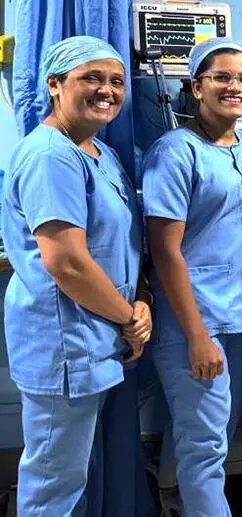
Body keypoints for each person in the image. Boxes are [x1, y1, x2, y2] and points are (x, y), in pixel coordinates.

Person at [3, 35, 153, 517]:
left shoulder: (99, 153)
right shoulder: (50, 155)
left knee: (78, 477)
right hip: (64, 342)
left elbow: (122, 246)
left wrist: (141, 299)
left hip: (98, 334)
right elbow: (66, 263)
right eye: (91, 78)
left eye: (116, 81)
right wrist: (128, 317)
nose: (107, 90)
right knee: (55, 486)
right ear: (54, 84)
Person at [141, 37, 242, 516]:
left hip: (238, 314)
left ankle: (175, 498)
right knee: (206, 444)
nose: (235, 87)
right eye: (222, 77)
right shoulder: (174, 152)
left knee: (215, 432)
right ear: (196, 87)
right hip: (194, 318)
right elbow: (164, 250)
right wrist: (195, 334)